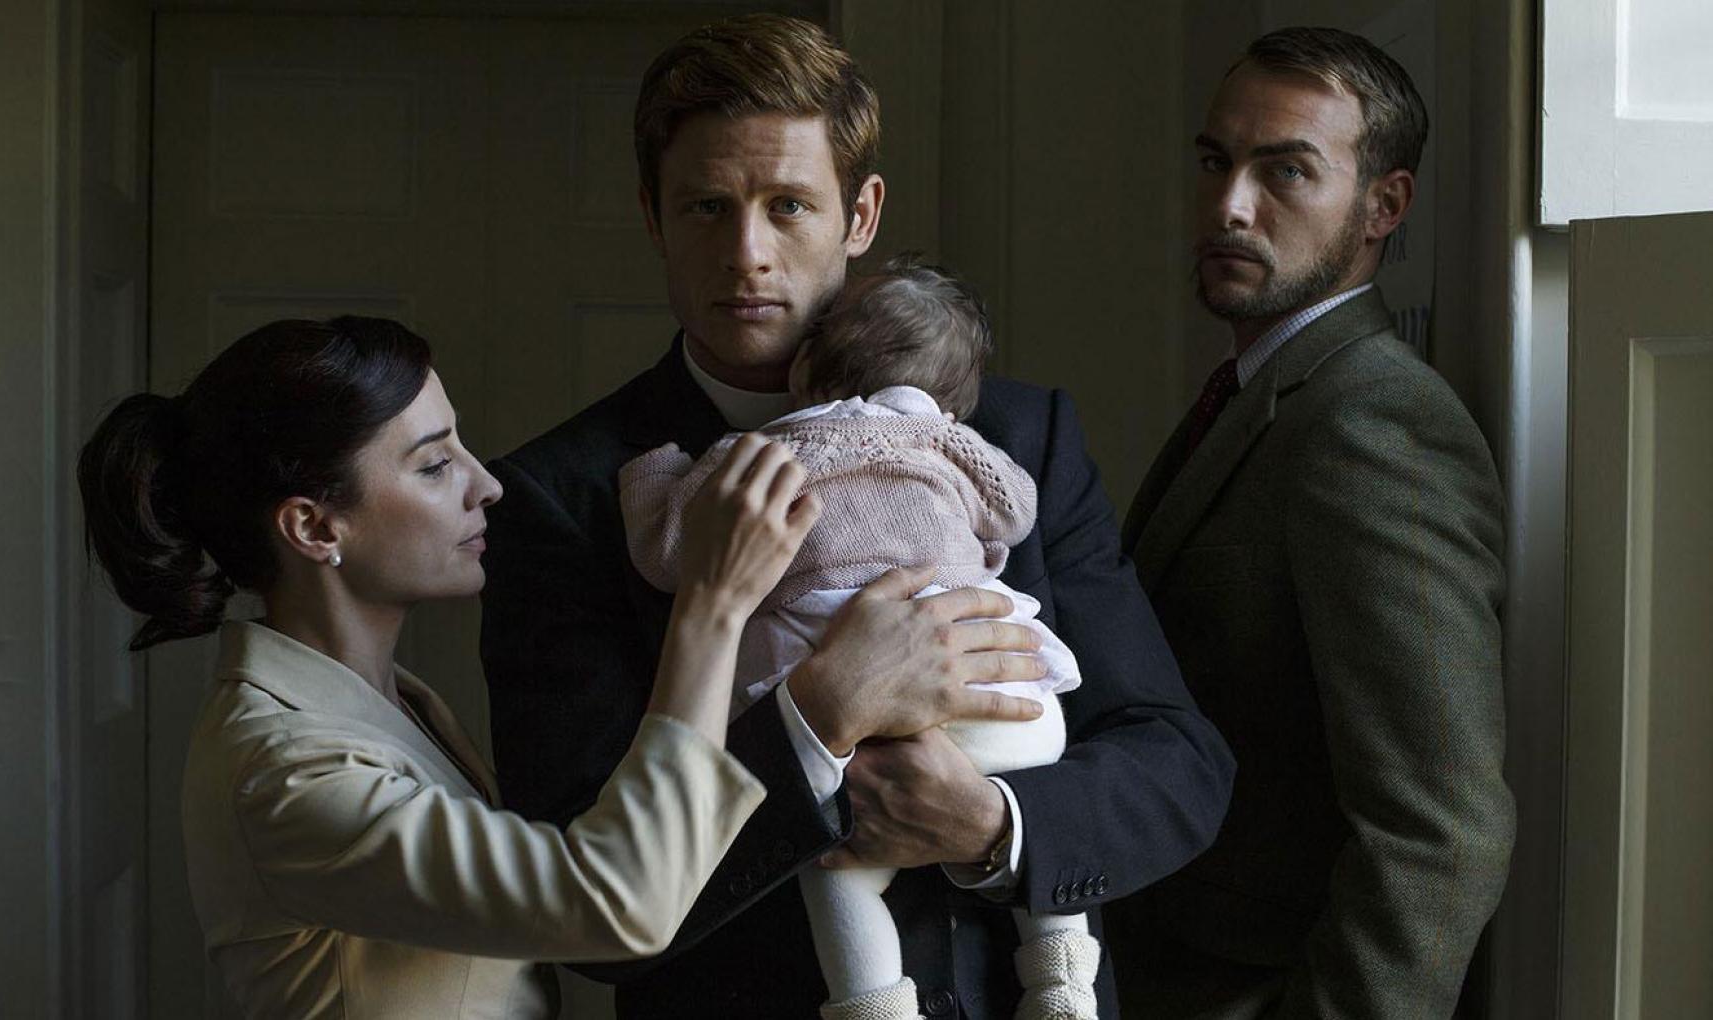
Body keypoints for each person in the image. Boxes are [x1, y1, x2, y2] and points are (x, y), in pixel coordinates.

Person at [480, 14, 1235, 1019]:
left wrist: (991, 825)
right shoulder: (570, 495)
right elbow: (583, 906)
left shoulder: (1017, 437)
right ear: (653, 217)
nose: (746, 253)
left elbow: (1175, 763)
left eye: (787, 205)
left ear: (861, 214)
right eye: (706, 206)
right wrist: (811, 721)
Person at [77, 315, 824, 1019]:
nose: (486, 484)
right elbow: (620, 904)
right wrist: (714, 604)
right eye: (434, 465)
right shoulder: (287, 768)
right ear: (313, 525)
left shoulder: (391, 702)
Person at [1112, 27, 1515, 1018]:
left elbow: (1444, 830)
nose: (1229, 206)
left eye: (1285, 171)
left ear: (1385, 204)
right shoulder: (1264, 390)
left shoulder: (1376, 420)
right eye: (1217, 161)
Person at [618, 256, 1097, 1018]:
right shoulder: (945, 438)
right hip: (1011, 705)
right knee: (1035, 814)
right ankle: (1065, 983)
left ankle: (873, 1004)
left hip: (867, 746)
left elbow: (668, 551)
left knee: (838, 874)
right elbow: (1012, 509)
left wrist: (653, 476)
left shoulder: (762, 455)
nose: (750, 255)